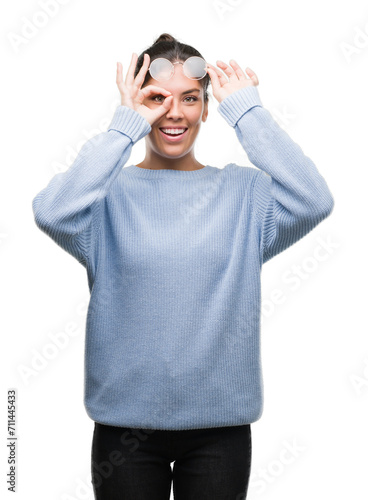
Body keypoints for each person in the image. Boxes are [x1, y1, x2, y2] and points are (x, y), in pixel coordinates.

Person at [31, 32, 335, 500]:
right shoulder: (104, 197)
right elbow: (52, 211)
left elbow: (314, 200)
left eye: (190, 99)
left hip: (220, 430)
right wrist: (124, 126)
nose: (173, 113)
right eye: (157, 99)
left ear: (208, 108)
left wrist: (250, 114)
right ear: (139, 106)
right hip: (124, 427)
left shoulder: (246, 196)